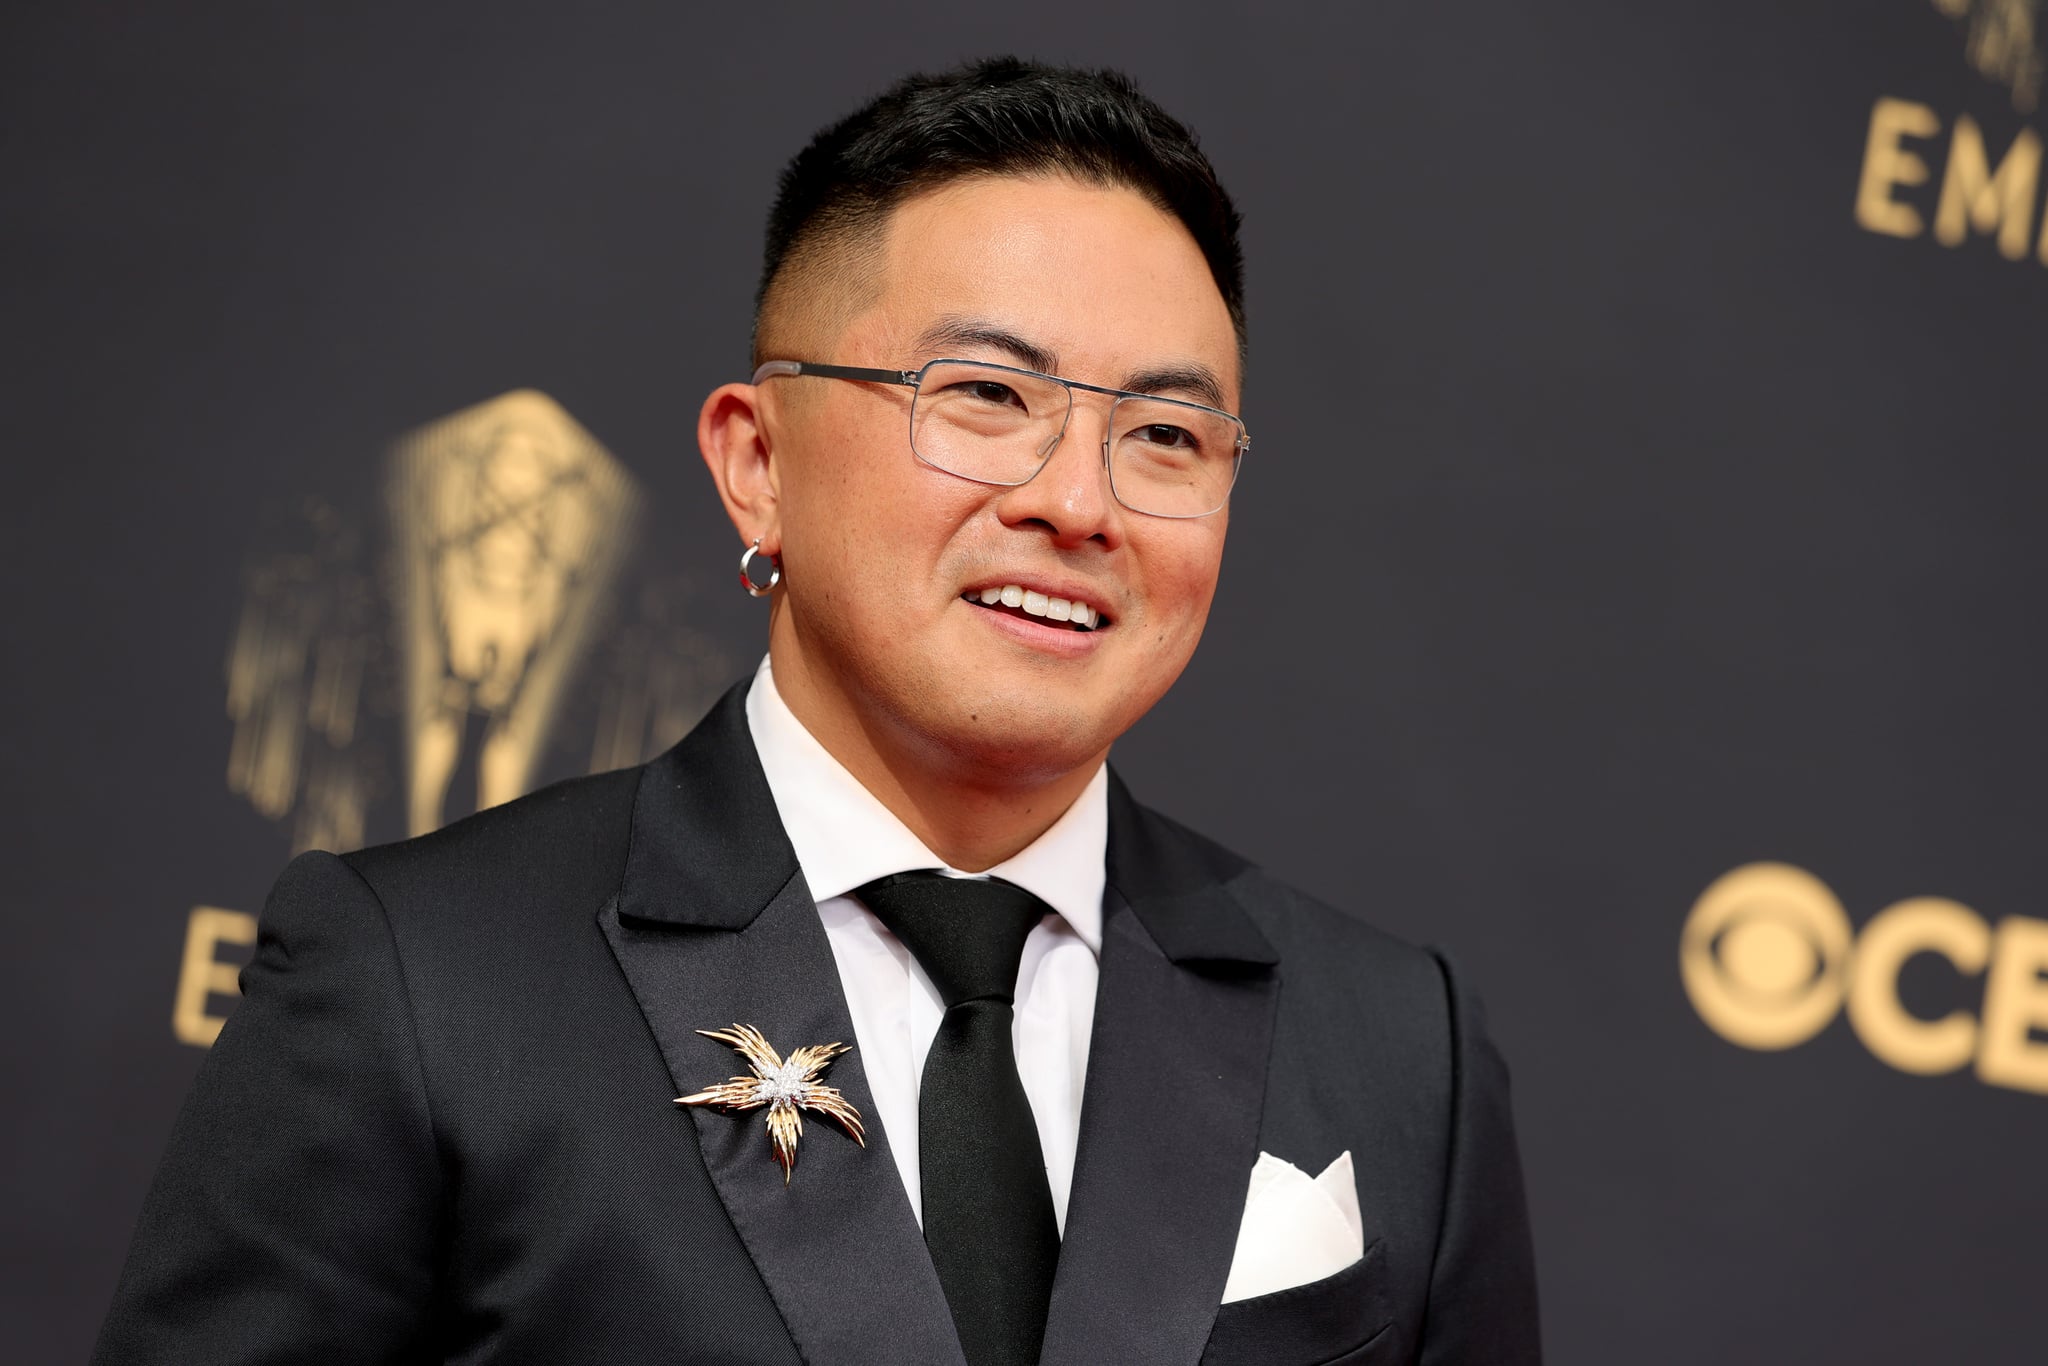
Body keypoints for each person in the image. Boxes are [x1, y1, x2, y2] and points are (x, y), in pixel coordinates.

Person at [93, 58, 1540, 1366]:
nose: (1078, 501)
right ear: (758, 461)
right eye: (984, 394)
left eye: (1164, 434)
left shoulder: (1398, 1043)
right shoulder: (424, 982)